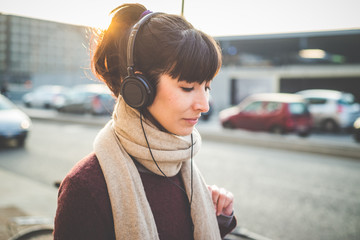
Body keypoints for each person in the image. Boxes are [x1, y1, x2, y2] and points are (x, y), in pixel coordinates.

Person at [53, 3, 237, 240]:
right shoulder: (86, 188)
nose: (204, 105)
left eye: (206, 87)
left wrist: (217, 219)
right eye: (188, 87)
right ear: (139, 89)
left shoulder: (181, 169)